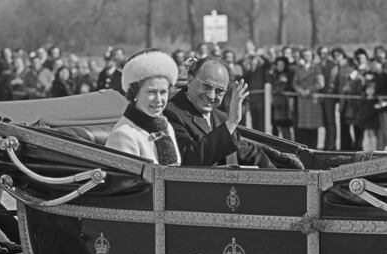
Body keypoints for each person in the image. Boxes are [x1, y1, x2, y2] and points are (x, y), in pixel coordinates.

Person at [164, 57, 303, 169]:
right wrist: (231, 123)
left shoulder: (220, 117)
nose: (212, 96)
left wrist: (281, 179)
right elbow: (189, 161)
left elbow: (245, 153)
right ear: (190, 80)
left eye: (219, 91)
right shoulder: (171, 113)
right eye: (206, 86)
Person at [105, 49, 181, 165]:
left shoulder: (166, 126)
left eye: (163, 92)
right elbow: (126, 182)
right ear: (135, 93)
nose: (158, 100)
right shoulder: (123, 135)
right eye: (151, 92)